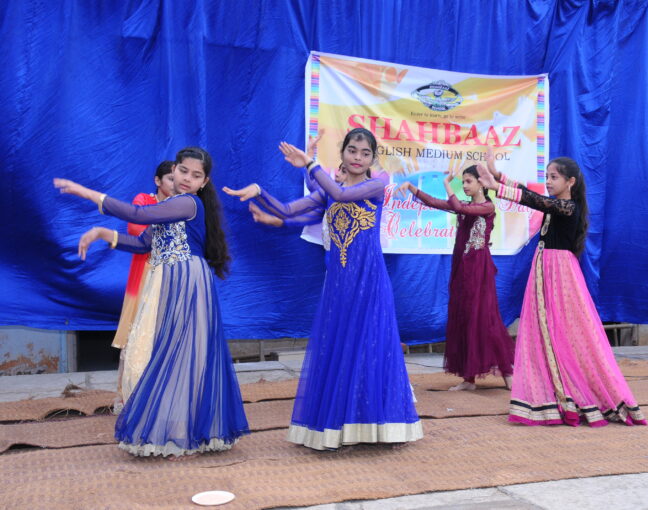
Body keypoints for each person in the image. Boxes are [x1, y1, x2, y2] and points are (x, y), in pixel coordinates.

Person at [224, 128, 422, 450]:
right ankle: (342, 425)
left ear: (373, 159)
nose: (357, 158)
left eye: (365, 153)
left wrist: (309, 163)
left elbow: (342, 195)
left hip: (369, 280)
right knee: (340, 346)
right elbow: (289, 211)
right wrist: (260, 191)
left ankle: (376, 425)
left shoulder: (377, 184)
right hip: (340, 282)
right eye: (352, 151)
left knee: (370, 344)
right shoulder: (329, 192)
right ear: (342, 153)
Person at [54, 147, 250, 456]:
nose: (187, 179)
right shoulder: (171, 205)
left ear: (204, 181)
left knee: (181, 354)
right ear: (174, 170)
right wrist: (104, 233)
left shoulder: (187, 203)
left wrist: (86, 192)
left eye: (195, 175)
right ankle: (178, 424)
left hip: (187, 282)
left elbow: (137, 215)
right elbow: (142, 243)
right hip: (168, 281)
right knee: (170, 353)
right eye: (183, 171)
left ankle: (183, 427)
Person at [477, 158, 646, 427]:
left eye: (554, 177)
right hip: (546, 269)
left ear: (570, 182)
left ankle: (574, 392)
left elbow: (533, 201)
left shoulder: (567, 207)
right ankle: (553, 392)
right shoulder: (558, 204)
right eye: (547, 176)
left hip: (558, 273)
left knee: (565, 331)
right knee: (548, 331)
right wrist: (500, 177)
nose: (548, 181)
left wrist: (496, 187)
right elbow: (533, 195)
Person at [398, 166, 515, 391]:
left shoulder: (487, 207)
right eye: (463, 182)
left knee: (485, 317)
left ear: (482, 183)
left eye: (469, 181)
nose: (465, 186)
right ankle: (468, 378)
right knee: (465, 318)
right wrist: (413, 188)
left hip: (479, 270)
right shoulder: (467, 207)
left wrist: (446, 184)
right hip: (462, 268)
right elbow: (436, 203)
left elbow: (457, 206)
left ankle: (508, 372)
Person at [113, 160, 174, 410]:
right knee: (134, 335)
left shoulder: (182, 204)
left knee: (166, 336)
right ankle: (124, 394)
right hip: (144, 276)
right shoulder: (144, 201)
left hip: (171, 278)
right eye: (169, 178)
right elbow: (136, 229)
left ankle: (163, 395)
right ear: (157, 181)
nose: (175, 182)